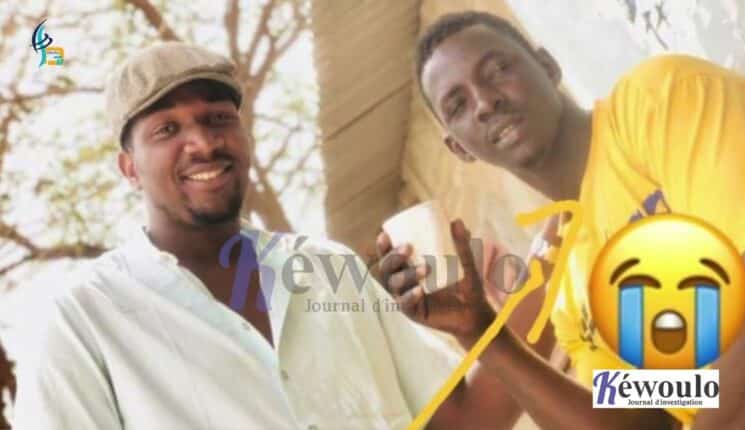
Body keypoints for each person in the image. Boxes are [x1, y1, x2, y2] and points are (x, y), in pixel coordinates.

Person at [11, 41, 547, 429]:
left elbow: (460, 422)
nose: (203, 143)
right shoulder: (85, 320)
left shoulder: (328, 270)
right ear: (129, 168)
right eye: (167, 129)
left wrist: (546, 280)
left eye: (217, 118)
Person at [376, 10, 745, 430]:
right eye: (458, 105)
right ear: (459, 148)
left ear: (548, 66)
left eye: (497, 70)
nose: (484, 102)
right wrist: (485, 337)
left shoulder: (656, 100)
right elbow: (657, 416)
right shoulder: (572, 298)